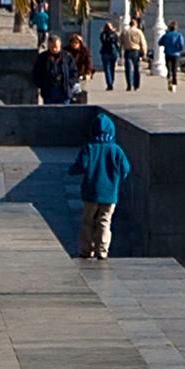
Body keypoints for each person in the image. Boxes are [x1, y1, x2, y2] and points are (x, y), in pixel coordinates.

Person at [66, 111, 132, 268]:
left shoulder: (89, 148)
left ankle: (86, 249)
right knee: (104, 221)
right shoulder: (116, 150)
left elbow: (81, 166)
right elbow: (126, 169)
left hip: (90, 192)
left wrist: (72, 170)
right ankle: (102, 251)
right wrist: (116, 181)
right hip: (110, 194)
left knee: (88, 221)